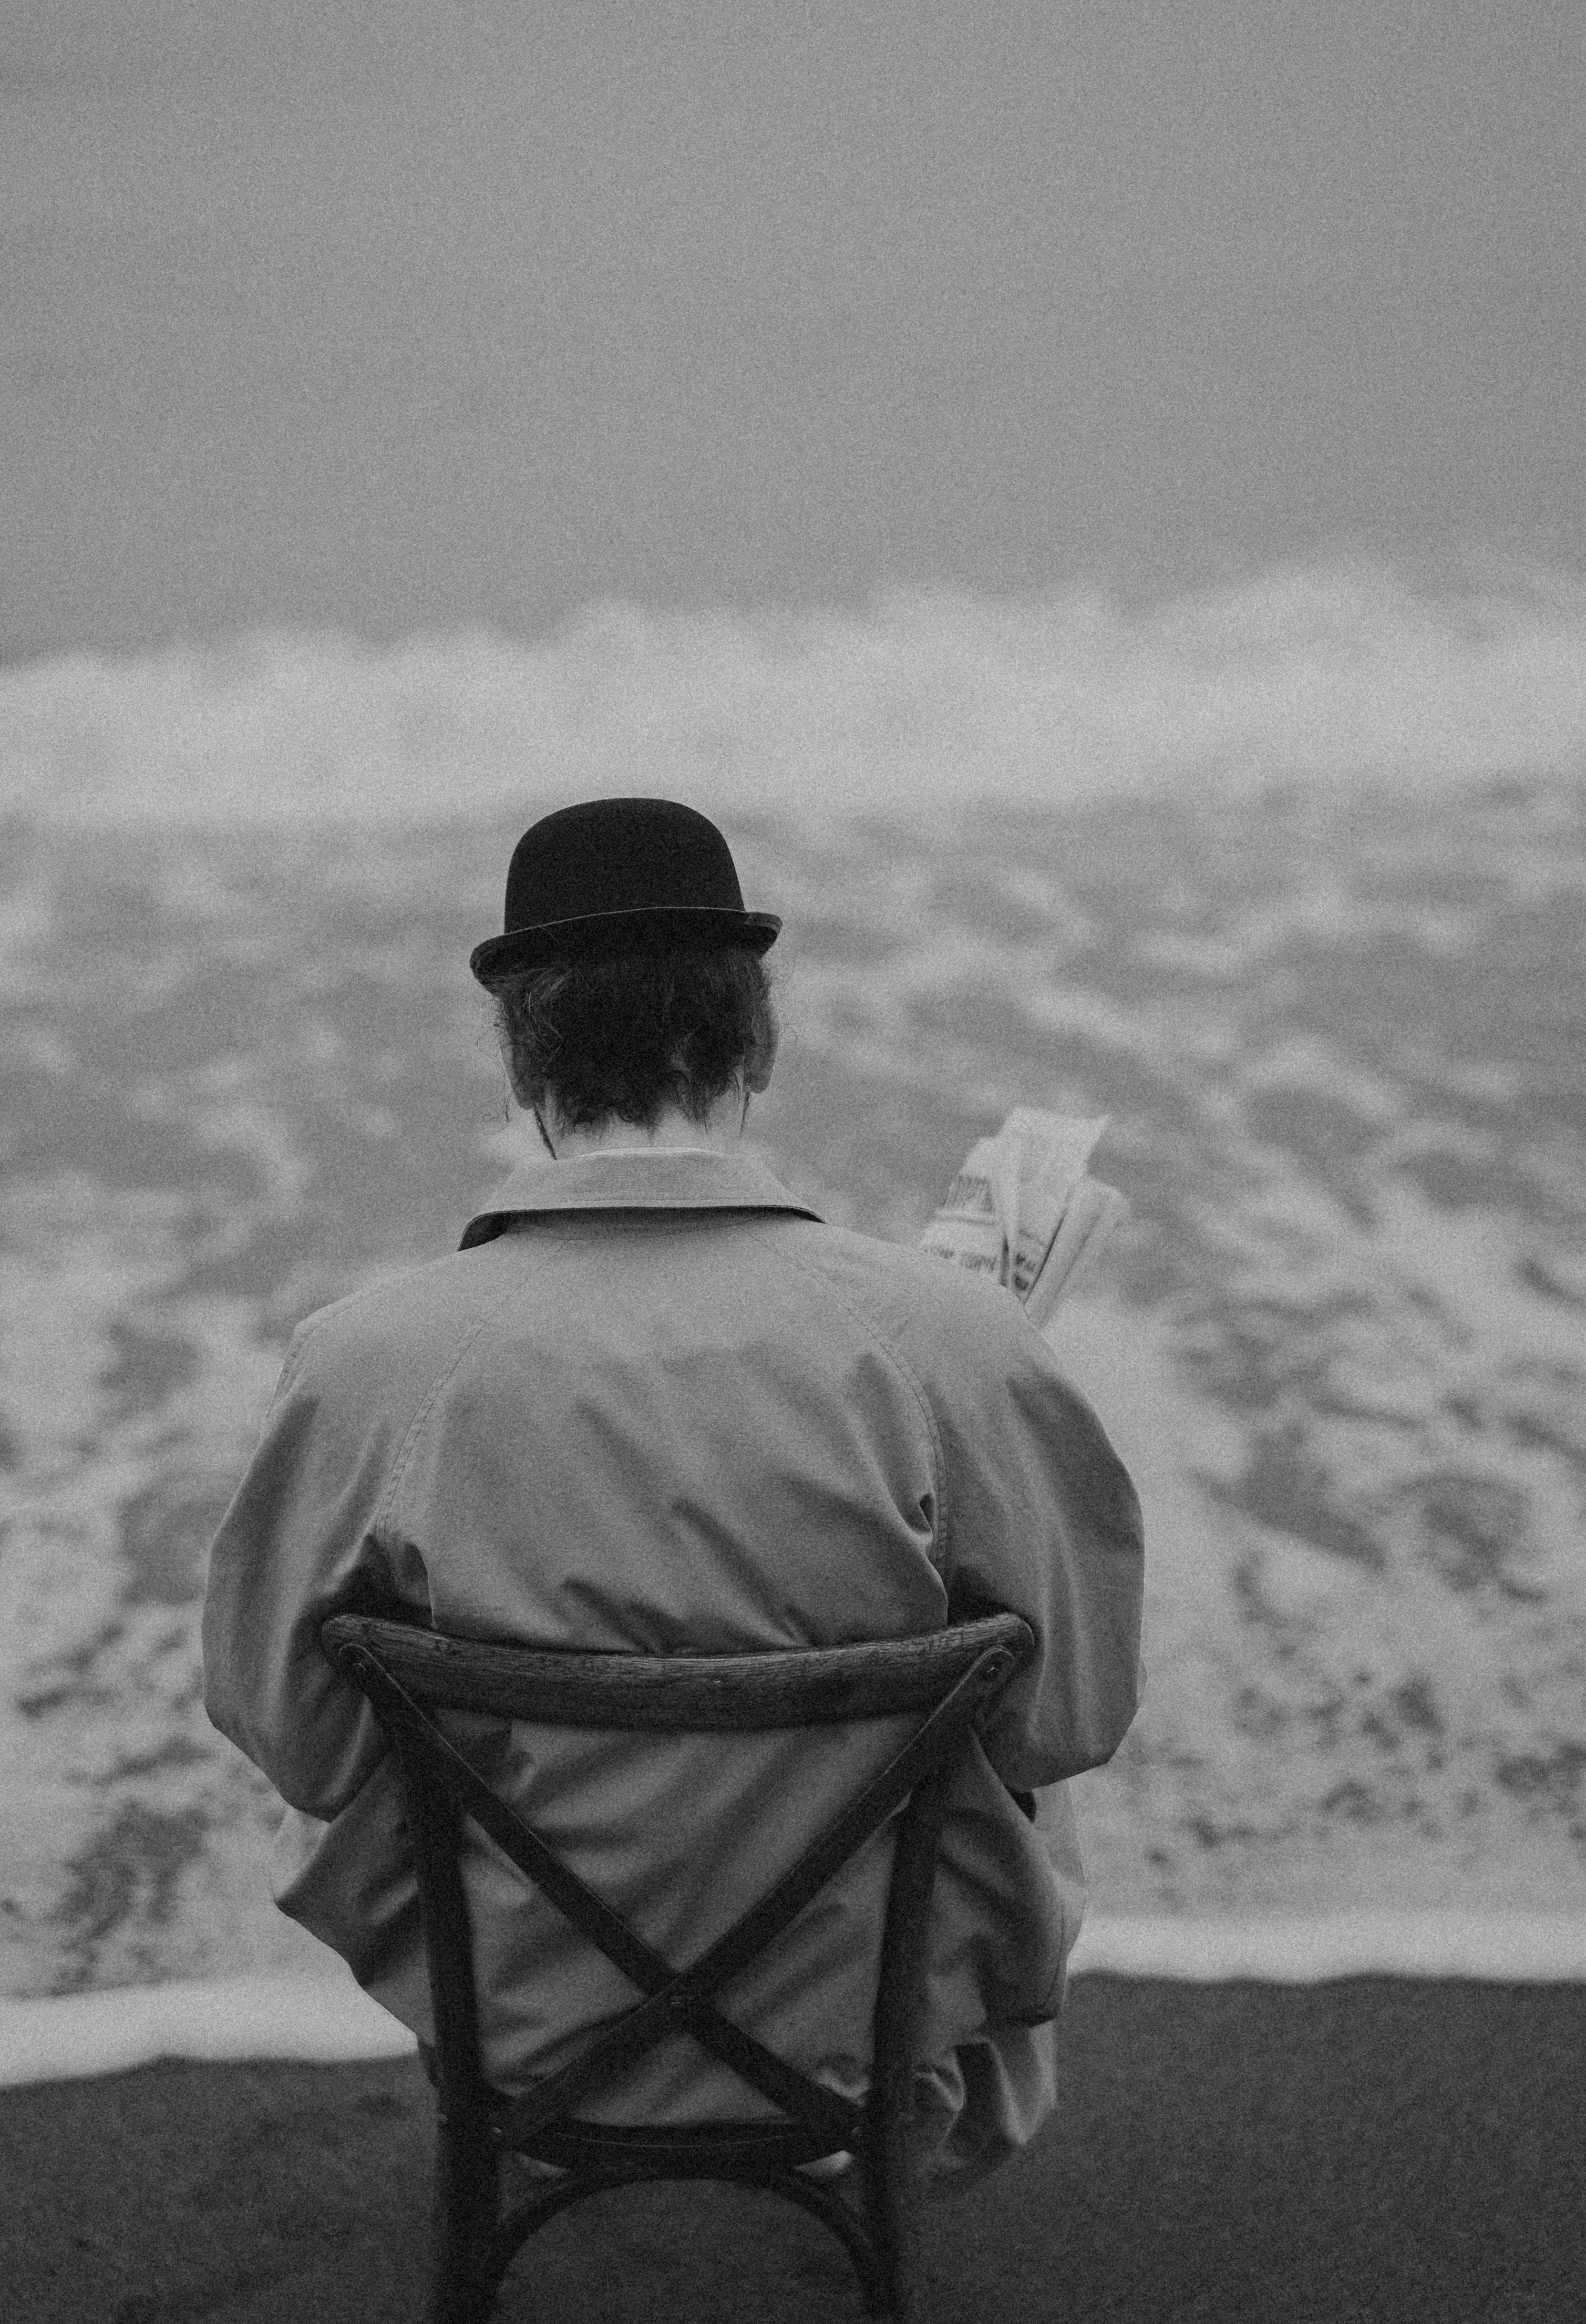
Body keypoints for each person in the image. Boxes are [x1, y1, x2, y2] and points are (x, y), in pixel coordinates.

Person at [200, 797, 1144, 2187]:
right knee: (1003, 1716)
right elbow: (1074, 1717)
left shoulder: (368, 1364)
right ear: (756, 1037)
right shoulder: (953, 1343)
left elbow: (295, 1741)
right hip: (862, 2036)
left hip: (516, 2029)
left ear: (525, 1063)